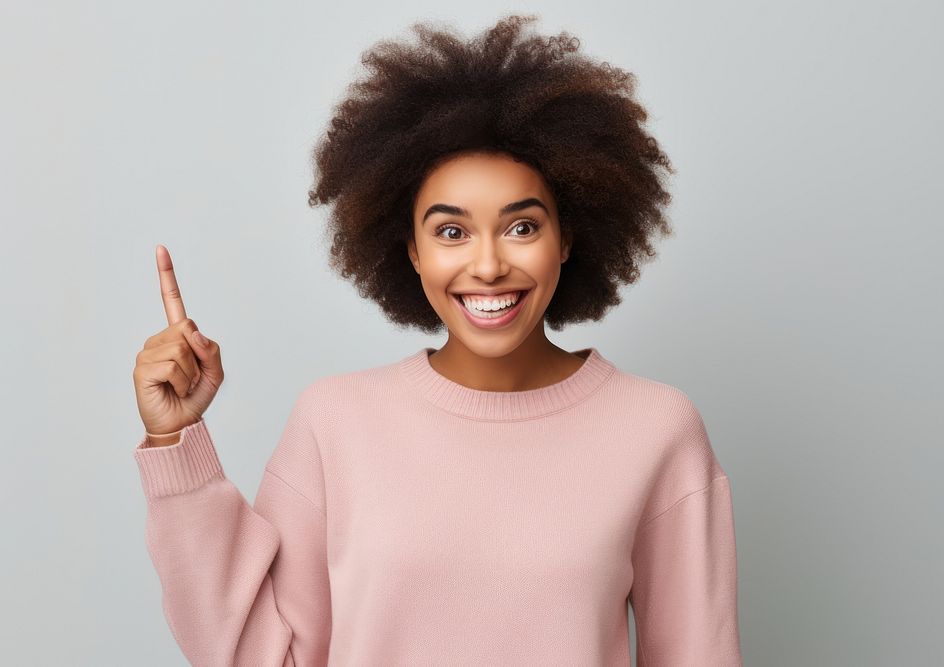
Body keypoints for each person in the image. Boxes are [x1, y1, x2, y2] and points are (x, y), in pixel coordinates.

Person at [131, 14, 742, 666]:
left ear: (567, 238)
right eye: (451, 232)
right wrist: (175, 444)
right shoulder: (334, 422)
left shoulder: (656, 430)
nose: (486, 266)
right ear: (412, 251)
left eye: (522, 227)